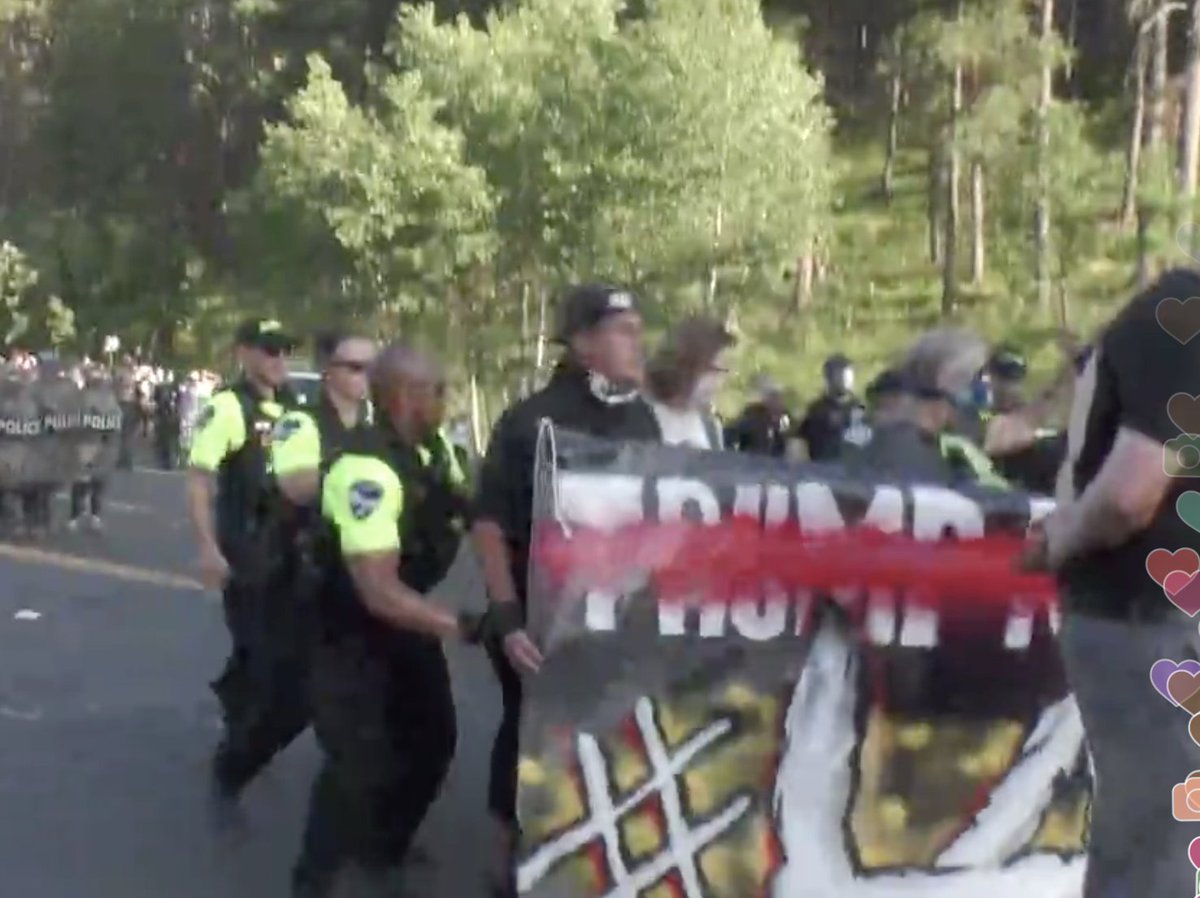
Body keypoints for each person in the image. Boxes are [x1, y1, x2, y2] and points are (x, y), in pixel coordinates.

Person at [473, 283, 661, 896]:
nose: (637, 341)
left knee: (603, 734)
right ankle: (505, 866)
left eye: (638, 328)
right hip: (538, 621)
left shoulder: (642, 418)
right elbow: (489, 523)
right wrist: (505, 617)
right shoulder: (530, 420)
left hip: (614, 617)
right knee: (527, 732)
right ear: (583, 344)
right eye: (622, 330)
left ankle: (584, 855)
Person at [1023, 267, 1200, 898]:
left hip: (1148, 616)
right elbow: (1137, 489)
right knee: (1163, 837)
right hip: (1160, 615)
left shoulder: (1179, 311)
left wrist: (1060, 538)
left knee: (1156, 838)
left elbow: (1129, 493)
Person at [292, 344, 492, 898]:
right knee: (355, 762)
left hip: (404, 622)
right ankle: (313, 882)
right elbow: (377, 590)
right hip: (348, 628)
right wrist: (467, 626)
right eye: (438, 391)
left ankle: (384, 847)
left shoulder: (431, 452)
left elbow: (470, 511)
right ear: (405, 397)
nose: (446, 401)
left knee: (433, 741)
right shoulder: (365, 470)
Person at [185, 317, 298, 823]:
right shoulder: (229, 408)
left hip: (292, 553)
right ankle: (235, 751)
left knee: (279, 652)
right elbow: (199, 480)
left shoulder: (297, 407)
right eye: (269, 350)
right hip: (245, 553)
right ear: (245, 354)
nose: (278, 360)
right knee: (260, 651)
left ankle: (245, 717)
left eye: (284, 350)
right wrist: (208, 547)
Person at [645, 315, 734, 449]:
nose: (719, 382)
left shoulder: (710, 428)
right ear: (685, 366)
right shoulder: (638, 417)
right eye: (714, 370)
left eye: (724, 371)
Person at [795, 353, 868, 461]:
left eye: (848, 376)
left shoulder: (860, 409)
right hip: (822, 469)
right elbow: (801, 442)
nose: (846, 381)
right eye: (840, 376)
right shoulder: (817, 410)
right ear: (829, 378)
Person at [725, 376, 791, 457]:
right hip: (753, 462)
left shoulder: (784, 418)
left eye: (778, 397)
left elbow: (787, 439)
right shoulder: (752, 416)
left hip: (777, 463)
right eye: (773, 397)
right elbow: (730, 435)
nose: (778, 401)